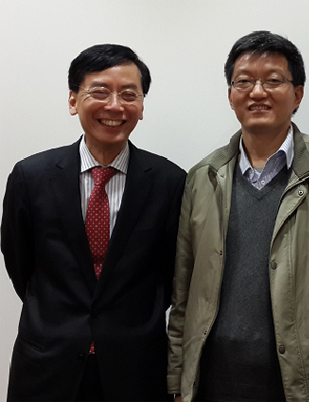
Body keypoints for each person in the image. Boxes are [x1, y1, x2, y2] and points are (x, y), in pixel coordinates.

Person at [167, 30, 309, 402]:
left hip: (299, 386)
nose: (257, 92)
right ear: (230, 95)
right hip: (212, 383)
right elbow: (183, 292)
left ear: (298, 94)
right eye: (244, 81)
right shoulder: (203, 178)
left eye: (273, 81)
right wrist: (178, 381)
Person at [1, 44, 186, 401]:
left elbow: (170, 274)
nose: (115, 106)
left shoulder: (169, 182)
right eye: (100, 92)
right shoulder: (31, 177)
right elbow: (20, 264)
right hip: (46, 366)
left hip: (135, 369)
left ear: (142, 106)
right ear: (73, 100)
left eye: (129, 94)